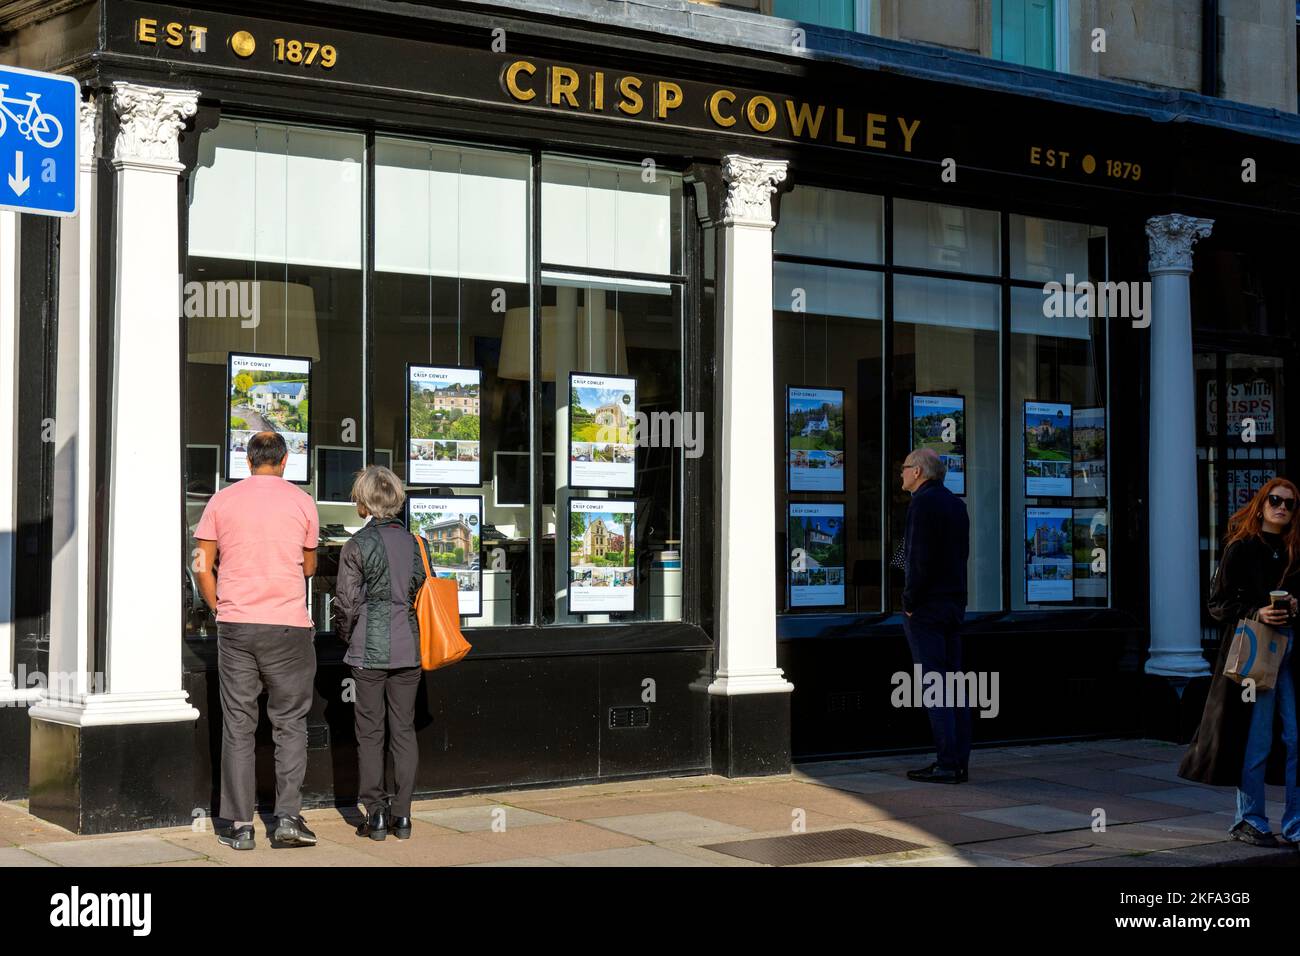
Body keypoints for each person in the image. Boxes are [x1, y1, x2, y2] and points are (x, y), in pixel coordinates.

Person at [193, 430, 320, 850]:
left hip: (237, 625)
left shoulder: (220, 500)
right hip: (288, 625)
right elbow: (308, 565)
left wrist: (218, 607)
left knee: (239, 725)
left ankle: (240, 826)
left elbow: (200, 564)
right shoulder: (303, 502)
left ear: (247, 462)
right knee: (290, 723)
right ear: (284, 462)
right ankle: (286, 820)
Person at [1179, 478, 1300, 848]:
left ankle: (1295, 825)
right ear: (1262, 504)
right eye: (1275, 500)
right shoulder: (1242, 547)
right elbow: (1218, 604)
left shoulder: (1295, 550)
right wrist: (1257, 611)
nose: (1281, 507)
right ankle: (1249, 819)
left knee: (1295, 739)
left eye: (1290, 504)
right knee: (1257, 738)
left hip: (1291, 654)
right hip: (1256, 653)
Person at [333, 466, 427, 841]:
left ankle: (375, 814)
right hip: (408, 649)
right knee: (403, 730)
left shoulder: (356, 545)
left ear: (364, 501)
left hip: (368, 651)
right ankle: (403, 816)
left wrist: (345, 636)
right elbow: (419, 585)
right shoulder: (414, 542)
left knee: (370, 733)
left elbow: (346, 603)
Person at [900, 448, 972, 784]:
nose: (901, 474)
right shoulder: (957, 505)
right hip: (953, 606)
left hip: (927, 608)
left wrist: (910, 602)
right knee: (955, 685)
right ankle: (958, 761)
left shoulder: (921, 503)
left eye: (904, 468)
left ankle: (945, 763)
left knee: (935, 686)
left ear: (918, 472)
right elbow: (962, 557)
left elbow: (918, 559)